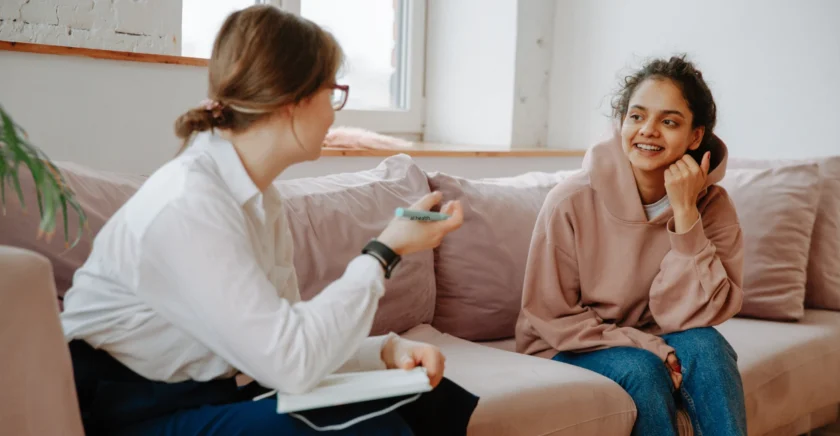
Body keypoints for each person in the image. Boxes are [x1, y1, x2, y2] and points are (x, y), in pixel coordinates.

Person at [60, 5, 478, 435]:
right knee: (367, 429)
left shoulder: (261, 200)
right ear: (291, 101)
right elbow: (292, 365)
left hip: (211, 393)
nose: (335, 113)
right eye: (331, 93)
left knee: (429, 398)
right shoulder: (190, 204)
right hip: (127, 412)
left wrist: (386, 352)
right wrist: (384, 251)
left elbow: (288, 340)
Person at [515, 55, 747, 436]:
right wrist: (649, 346)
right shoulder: (569, 201)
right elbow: (551, 315)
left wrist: (686, 214)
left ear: (694, 136)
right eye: (637, 116)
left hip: (659, 333)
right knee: (643, 369)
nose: (648, 131)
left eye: (669, 121)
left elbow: (705, 313)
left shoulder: (714, 206)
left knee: (708, 347)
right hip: (567, 344)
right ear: (621, 122)